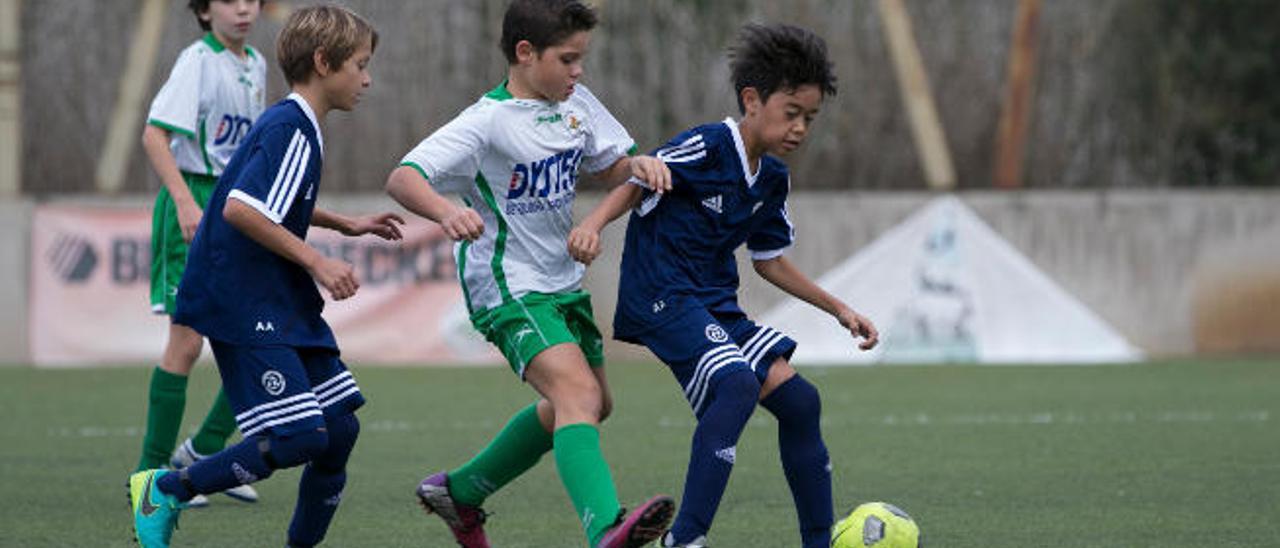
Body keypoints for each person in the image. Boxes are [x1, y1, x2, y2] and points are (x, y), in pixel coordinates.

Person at [570, 23, 880, 548]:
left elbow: (771, 262)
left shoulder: (773, 178)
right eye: (792, 113)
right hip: (662, 296)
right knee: (735, 384)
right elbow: (637, 177)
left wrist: (838, 309)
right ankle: (685, 540)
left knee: (801, 402)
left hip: (713, 305)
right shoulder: (708, 146)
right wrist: (591, 225)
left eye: (810, 117)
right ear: (752, 100)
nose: (801, 127)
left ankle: (818, 543)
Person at [384, 1, 675, 546]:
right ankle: (606, 528)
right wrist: (447, 211)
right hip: (507, 285)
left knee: (594, 404)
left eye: (581, 58)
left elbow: (616, 164)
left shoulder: (576, 104)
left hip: (561, 282)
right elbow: (403, 177)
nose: (578, 71)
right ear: (525, 53)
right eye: (567, 59)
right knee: (577, 397)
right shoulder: (485, 122)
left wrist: (636, 169)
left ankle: (463, 492)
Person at [129, 5, 404, 547]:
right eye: (360, 64)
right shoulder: (289, 126)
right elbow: (239, 209)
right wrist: (317, 260)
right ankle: (167, 487)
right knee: (300, 436)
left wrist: (342, 222)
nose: (367, 78)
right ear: (324, 63)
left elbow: (268, 199)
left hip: (277, 298)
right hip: (243, 298)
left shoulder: (298, 124)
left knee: (339, 429)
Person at [136, 0, 268, 507]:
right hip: (192, 200)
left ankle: (204, 454)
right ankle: (150, 477)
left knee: (254, 336)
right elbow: (154, 135)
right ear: (203, 9)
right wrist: (186, 202)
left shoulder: (255, 63)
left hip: (236, 204)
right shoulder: (197, 60)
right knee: (187, 345)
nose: (242, 8)